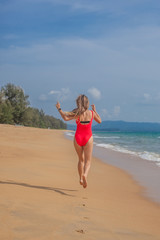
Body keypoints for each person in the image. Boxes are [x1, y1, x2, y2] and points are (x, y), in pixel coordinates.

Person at [56, 94, 101, 188]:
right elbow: (99, 121)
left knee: (81, 160)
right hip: (88, 138)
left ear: (78, 103)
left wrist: (59, 109)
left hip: (78, 138)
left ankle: (81, 178)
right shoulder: (91, 113)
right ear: (87, 103)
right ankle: (85, 175)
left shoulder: (76, 112)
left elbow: (65, 118)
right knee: (88, 161)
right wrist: (95, 110)